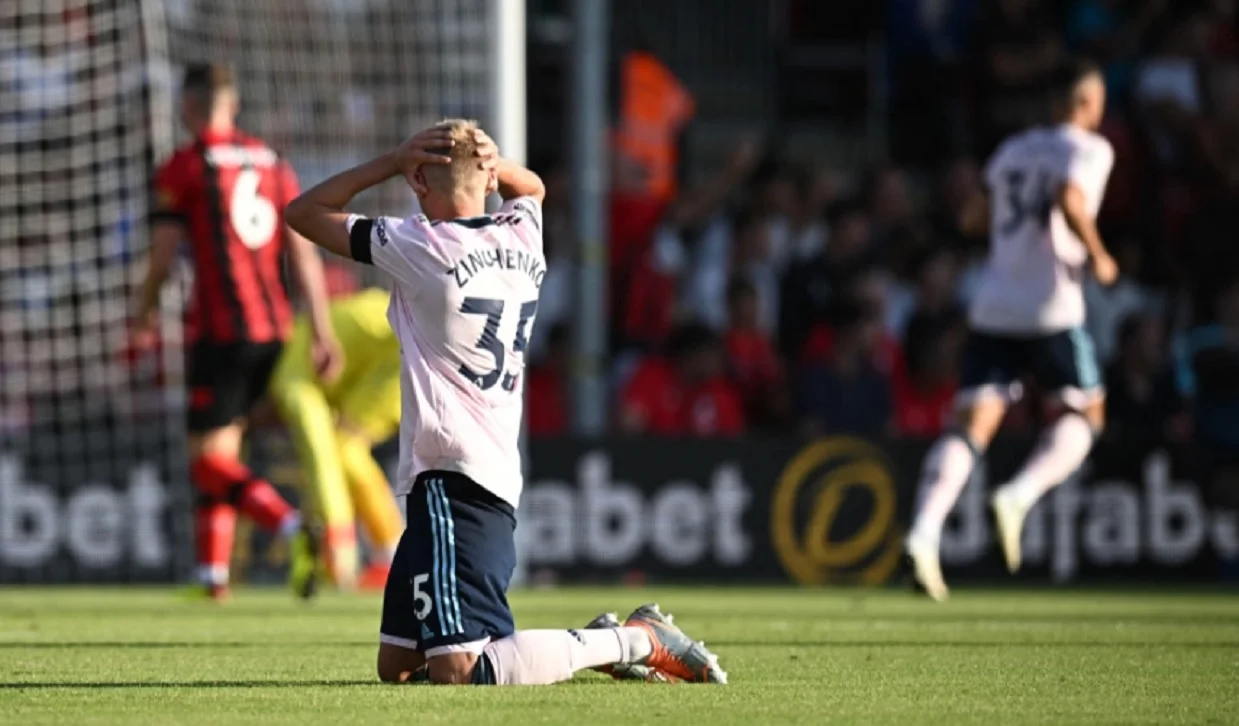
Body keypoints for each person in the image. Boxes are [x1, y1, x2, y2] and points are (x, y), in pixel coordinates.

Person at [285, 120, 727, 685]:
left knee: (461, 669)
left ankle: (632, 640)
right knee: (398, 667)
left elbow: (302, 212)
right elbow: (533, 189)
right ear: (489, 179)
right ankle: (603, 641)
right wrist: (500, 169)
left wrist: (388, 161)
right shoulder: (521, 233)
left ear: (418, 180)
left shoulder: (420, 245)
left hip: (452, 472)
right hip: (485, 465)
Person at [904, 59, 1119, 601]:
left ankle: (924, 533)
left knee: (972, 426)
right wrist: (1099, 254)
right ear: (1089, 105)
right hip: (1053, 307)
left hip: (996, 302)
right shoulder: (1091, 149)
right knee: (1086, 415)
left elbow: (972, 218)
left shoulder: (1014, 151)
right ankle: (1019, 496)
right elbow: (1070, 199)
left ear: (1051, 105)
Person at [134, 64, 337, 601]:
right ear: (233, 103)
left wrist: (143, 311)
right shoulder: (272, 161)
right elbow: (303, 249)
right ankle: (212, 578)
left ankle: (289, 526)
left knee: (206, 459)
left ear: (189, 105)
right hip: (276, 329)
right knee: (223, 454)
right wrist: (320, 329)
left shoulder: (185, 164)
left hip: (222, 332)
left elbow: (161, 258)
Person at [267, 288, 406, 591]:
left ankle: (347, 559)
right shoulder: (298, 354)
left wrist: (336, 537)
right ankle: (392, 554)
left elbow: (321, 462)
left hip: (398, 356)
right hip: (402, 337)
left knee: (339, 451)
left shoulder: (290, 382)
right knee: (348, 450)